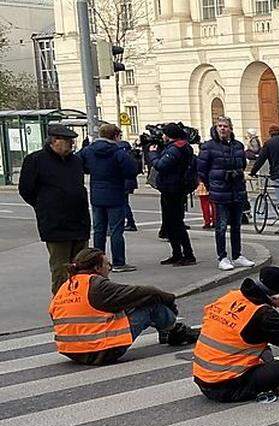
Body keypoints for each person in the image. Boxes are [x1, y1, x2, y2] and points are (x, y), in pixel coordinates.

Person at [49, 248, 198, 365]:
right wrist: (168, 299)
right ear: (97, 268)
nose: (109, 268)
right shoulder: (97, 285)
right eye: (107, 265)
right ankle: (175, 331)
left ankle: (167, 331)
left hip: (71, 351)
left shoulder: (66, 286)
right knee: (151, 304)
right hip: (100, 352)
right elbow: (144, 292)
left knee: (129, 305)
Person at [192, 265, 279, 403]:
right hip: (229, 387)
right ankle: (275, 386)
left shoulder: (230, 297)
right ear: (277, 295)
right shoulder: (263, 314)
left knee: (264, 348)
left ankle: (266, 376)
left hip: (203, 380)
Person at [20, 124, 90, 293]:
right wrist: (45, 206)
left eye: (72, 141)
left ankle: (80, 303)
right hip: (55, 224)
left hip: (79, 221)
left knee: (82, 268)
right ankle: (61, 306)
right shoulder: (36, 160)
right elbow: (26, 190)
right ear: (54, 141)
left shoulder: (75, 161)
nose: (71, 145)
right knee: (61, 269)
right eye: (67, 141)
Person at [79, 124, 140, 274]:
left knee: (99, 230)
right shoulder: (118, 152)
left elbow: (79, 163)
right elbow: (131, 169)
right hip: (115, 193)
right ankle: (119, 262)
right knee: (116, 230)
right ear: (115, 136)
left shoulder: (89, 150)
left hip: (96, 193)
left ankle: (97, 262)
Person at [197, 116, 254, 271]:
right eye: (220, 126)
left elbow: (242, 164)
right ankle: (222, 257)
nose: (222, 129)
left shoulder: (237, 146)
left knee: (236, 225)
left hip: (237, 190)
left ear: (231, 128)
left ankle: (237, 255)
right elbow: (202, 170)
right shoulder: (208, 147)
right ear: (216, 128)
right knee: (221, 226)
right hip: (220, 191)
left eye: (225, 126)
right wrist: (213, 185)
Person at [148, 123, 198, 267]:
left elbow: (162, 165)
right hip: (171, 188)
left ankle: (188, 255)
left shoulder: (177, 149)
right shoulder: (179, 146)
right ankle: (177, 254)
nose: (162, 137)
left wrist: (152, 154)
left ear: (169, 135)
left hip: (174, 189)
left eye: (164, 134)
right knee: (170, 223)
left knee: (176, 223)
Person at [118, 130, 140, 232]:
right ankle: (129, 222)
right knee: (124, 203)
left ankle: (130, 222)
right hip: (130, 182)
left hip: (124, 182)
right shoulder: (131, 156)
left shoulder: (123, 156)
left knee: (123, 203)